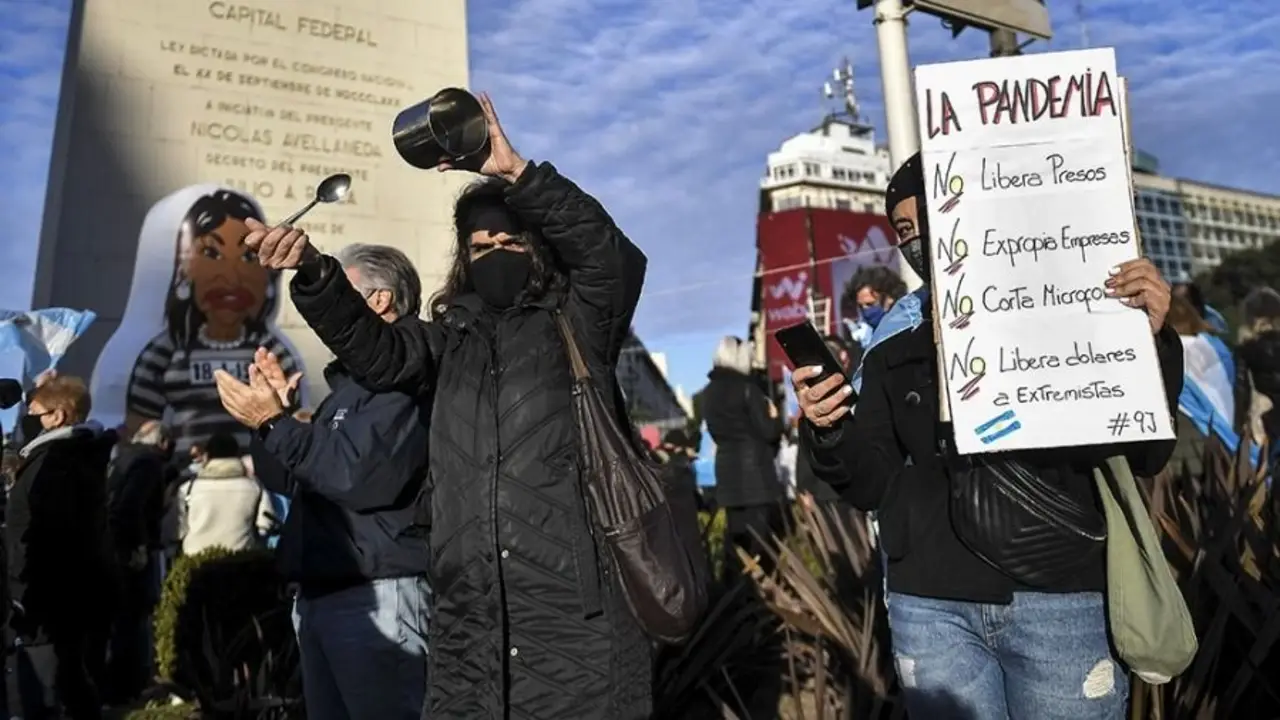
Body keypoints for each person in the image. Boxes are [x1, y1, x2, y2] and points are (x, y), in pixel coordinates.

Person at [236, 93, 652, 719]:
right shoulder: (450, 341)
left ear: (537, 246)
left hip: (573, 617)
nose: (494, 252)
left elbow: (608, 257)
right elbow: (376, 351)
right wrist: (315, 271)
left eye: (509, 240)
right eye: (479, 246)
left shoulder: (579, 325)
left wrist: (518, 175)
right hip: (470, 623)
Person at [794, 152, 1184, 719]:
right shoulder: (893, 342)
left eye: (930, 218)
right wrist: (828, 427)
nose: (918, 239)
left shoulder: (1068, 309)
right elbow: (871, 482)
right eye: (903, 229)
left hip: (1057, 597)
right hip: (931, 607)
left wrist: (1148, 341)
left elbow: (1147, 453)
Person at [217, 243, 433, 720]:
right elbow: (292, 479)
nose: (328, 313)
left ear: (379, 300)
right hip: (323, 594)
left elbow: (354, 475)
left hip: (378, 591)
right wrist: (272, 420)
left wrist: (276, 424)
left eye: (342, 293)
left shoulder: (402, 377)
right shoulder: (348, 388)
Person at [95, 186, 303, 457]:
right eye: (212, 253)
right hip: (186, 479)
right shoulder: (164, 352)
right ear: (183, 269)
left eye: (248, 256)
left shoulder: (270, 352)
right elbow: (139, 430)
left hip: (256, 478)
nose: (232, 277)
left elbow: (295, 421)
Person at [7, 375, 118, 719]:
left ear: (57, 416)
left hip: (45, 595)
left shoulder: (55, 461)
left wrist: (20, 591)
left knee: (44, 688)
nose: (26, 419)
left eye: (33, 412)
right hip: (72, 589)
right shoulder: (79, 453)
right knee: (70, 678)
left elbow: (41, 532)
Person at [701, 336, 787, 577]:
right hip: (757, 475)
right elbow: (769, 431)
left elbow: (714, 434)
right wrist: (775, 418)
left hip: (727, 474)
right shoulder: (749, 389)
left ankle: (739, 588)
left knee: (737, 543)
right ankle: (764, 587)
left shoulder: (708, 394)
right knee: (763, 542)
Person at [104, 420, 176, 703]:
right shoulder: (148, 463)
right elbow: (131, 505)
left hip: (114, 545)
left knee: (124, 618)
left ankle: (121, 683)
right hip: (133, 550)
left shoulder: (122, 457)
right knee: (135, 617)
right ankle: (130, 685)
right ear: (163, 442)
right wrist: (138, 545)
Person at [174, 432, 273, 556]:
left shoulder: (188, 489)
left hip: (197, 559)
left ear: (207, 455)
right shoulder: (254, 487)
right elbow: (266, 524)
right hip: (241, 558)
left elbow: (175, 531)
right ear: (236, 454)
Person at [840, 264, 909, 340]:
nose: (865, 311)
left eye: (870, 304)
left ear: (889, 299)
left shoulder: (910, 328)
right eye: (860, 306)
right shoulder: (870, 338)